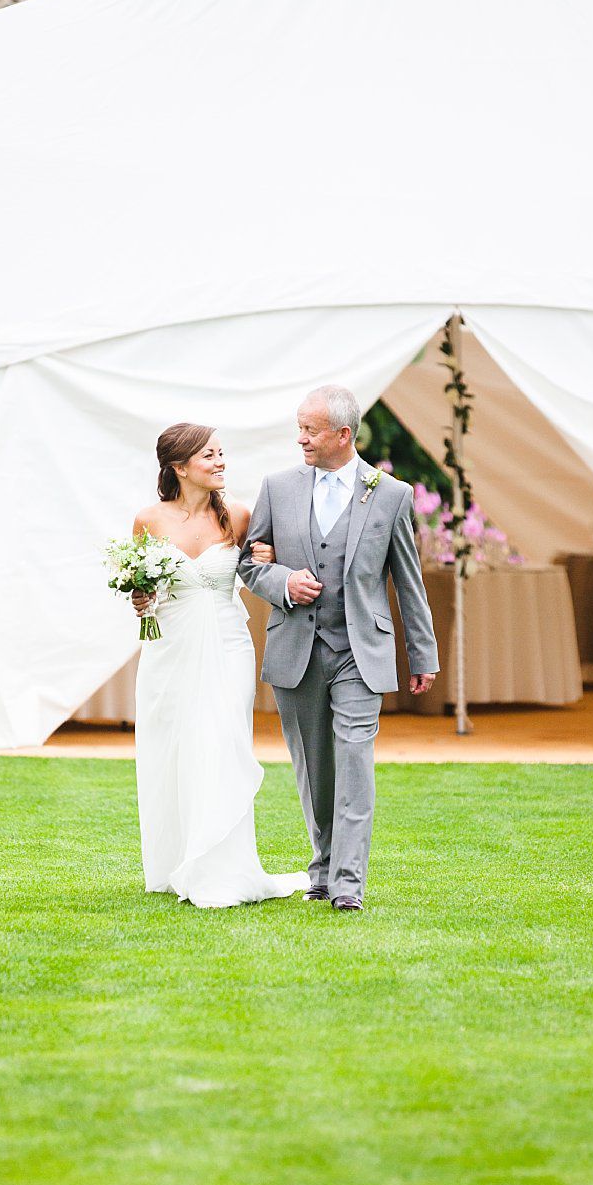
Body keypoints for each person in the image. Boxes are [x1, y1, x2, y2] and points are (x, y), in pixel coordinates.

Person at [238, 385, 439, 912]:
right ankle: (322, 866)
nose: (299, 437)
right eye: (299, 427)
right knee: (314, 767)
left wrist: (423, 655)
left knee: (354, 762)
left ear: (343, 435)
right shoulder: (277, 487)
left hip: (360, 651)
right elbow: (249, 563)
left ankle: (347, 884)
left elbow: (408, 581)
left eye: (310, 429)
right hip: (297, 648)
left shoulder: (391, 493)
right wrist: (282, 582)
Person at [130, 422, 309, 908]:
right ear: (179, 466)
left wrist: (268, 556)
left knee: (221, 742)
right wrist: (140, 597)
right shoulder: (148, 520)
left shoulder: (239, 515)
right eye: (209, 455)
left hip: (229, 644)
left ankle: (224, 870)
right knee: (174, 747)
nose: (220, 462)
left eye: (221, 454)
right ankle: (178, 863)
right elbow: (143, 591)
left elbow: (260, 570)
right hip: (169, 649)